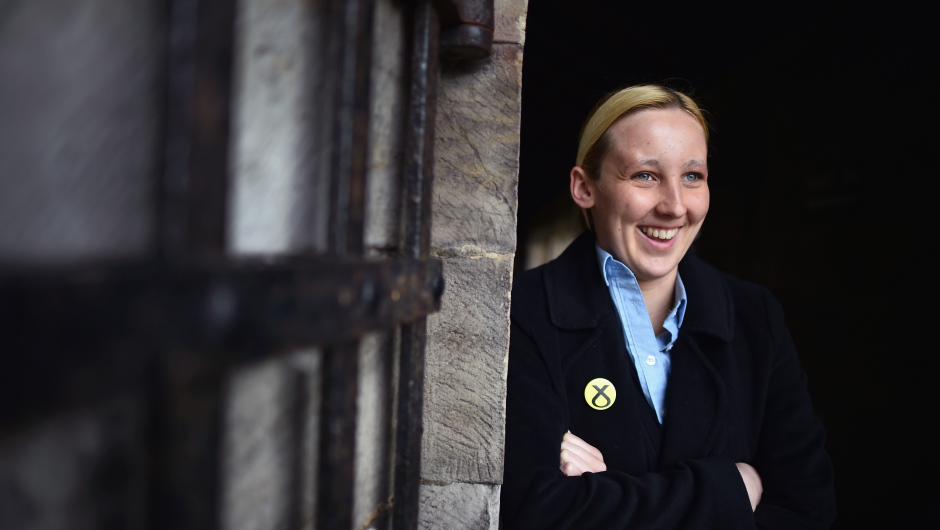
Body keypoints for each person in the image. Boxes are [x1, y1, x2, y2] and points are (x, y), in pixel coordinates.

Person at [500, 85, 836, 529]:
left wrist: (602, 495)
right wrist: (732, 487)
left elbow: (809, 510)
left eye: (692, 176)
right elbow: (533, 513)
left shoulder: (756, 317)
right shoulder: (520, 314)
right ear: (585, 187)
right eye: (645, 175)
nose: (675, 206)